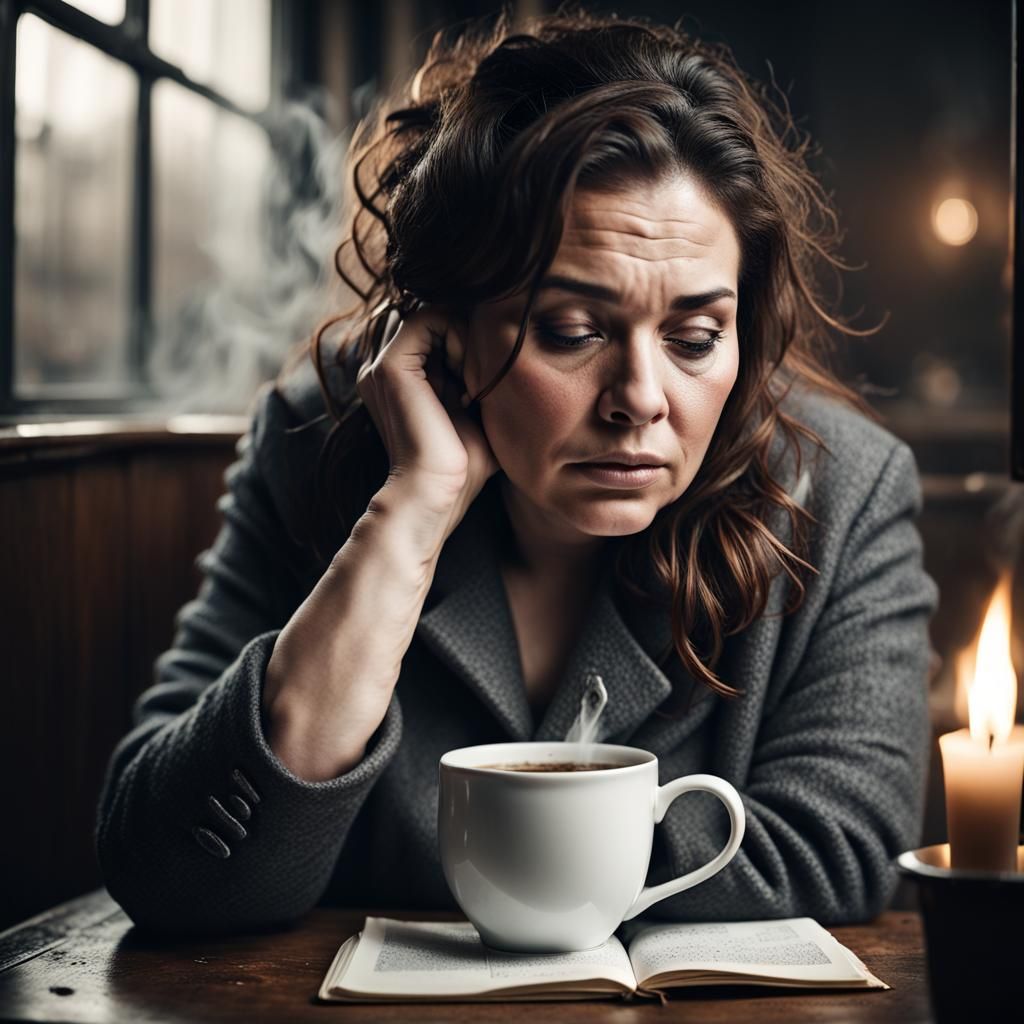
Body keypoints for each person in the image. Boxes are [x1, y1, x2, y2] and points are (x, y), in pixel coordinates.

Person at [95, 7, 938, 936]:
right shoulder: (311, 441)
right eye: (571, 330)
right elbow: (169, 867)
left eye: (697, 337)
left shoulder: (842, 488)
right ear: (447, 329)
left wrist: (477, 855)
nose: (641, 398)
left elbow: (840, 850)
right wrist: (408, 516)